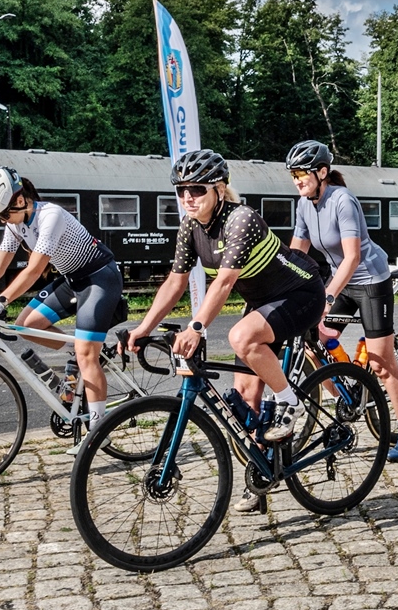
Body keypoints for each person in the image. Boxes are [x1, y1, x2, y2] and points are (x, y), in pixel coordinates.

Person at [127, 149, 326, 450]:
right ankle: (264, 469)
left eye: (197, 189)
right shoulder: (190, 226)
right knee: (245, 399)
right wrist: (143, 328)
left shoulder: (241, 219)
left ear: (219, 189)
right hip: (262, 303)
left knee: (240, 336)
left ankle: (289, 401)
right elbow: (176, 282)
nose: (187, 197)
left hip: (300, 293)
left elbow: (224, 282)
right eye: (181, 190)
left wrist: (196, 327)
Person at [0, 166, 125, 427]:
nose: (3, 220)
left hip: (100, 278)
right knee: (26, 325)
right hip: (72, 280)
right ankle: (79, 351)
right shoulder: (15, 224)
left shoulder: (51, 215)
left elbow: (35, 269)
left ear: (19, 200)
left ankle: (97, 432)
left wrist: (0, 301)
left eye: (4, 214)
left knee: (87, 356)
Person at [286, 140, 398, 462]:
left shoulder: (342, 200)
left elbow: (353, 257)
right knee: (313, 342)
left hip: (370, 281)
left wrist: (327, 296)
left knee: (381, 363)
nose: (297, 180)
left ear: (322, 172)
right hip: (341, 281)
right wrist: (284, 286)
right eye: (293, 175)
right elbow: (296, 254)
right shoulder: (304, 205)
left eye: (302, 173)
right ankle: (344, 399)